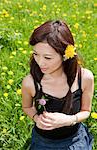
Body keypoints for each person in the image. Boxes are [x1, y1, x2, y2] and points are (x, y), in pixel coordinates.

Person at [21, 20, 94, 150]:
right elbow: (27, 107)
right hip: (43, 141)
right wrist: (37, 118)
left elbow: (86, 111)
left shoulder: (84, 78)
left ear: (65, 55)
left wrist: (70, 120)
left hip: (75, 140)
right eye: (36, 54)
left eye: (47, 58)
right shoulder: (30, 82)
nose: (40, 62)